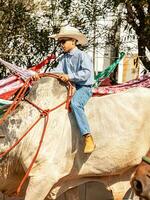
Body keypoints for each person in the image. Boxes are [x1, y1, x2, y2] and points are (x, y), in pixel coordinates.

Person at [49, 25, 95, 153]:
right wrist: (41, 74)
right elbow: (56, 71)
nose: (61, 45)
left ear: (74, 41)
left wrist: (69, 76)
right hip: (70, 87)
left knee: (75, 104)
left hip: (83, 87)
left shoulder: (82, 56)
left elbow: (86, 73)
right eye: (60, 42)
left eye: (63, 42)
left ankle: (88, 137)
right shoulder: (64, 58)